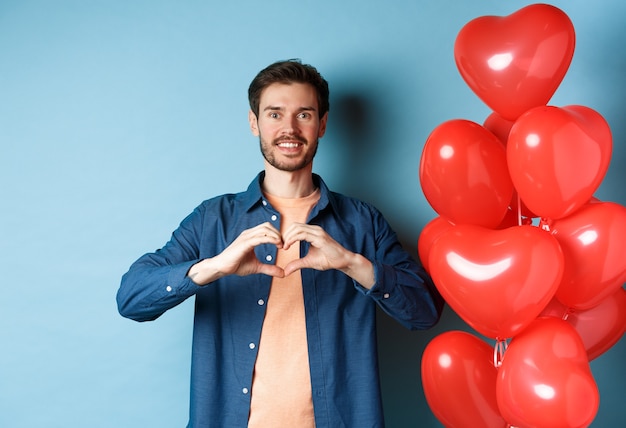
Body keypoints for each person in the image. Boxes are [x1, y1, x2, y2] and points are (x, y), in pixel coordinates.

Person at [117, 59, 443, 428]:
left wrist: (353, 264)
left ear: (322, 124)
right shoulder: (213, 219)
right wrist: (214, 267)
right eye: (275, 114)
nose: (289, 128)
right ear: (254, 122)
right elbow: (131, 299)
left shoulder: (362, 222)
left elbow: (425, 312)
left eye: (304, 114)